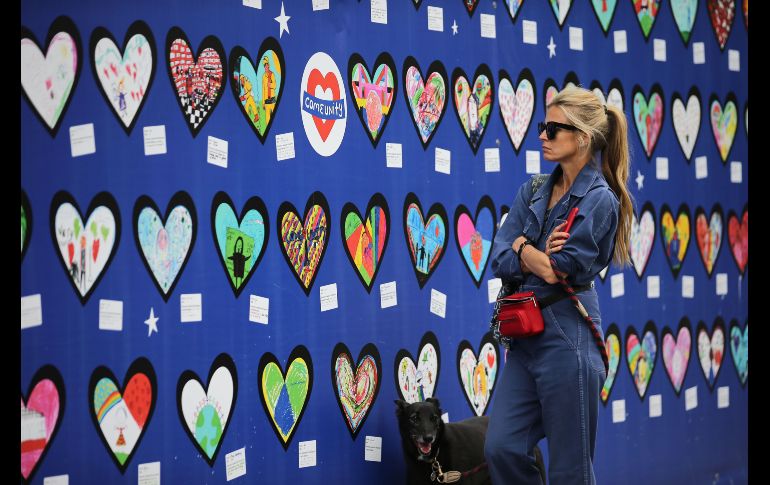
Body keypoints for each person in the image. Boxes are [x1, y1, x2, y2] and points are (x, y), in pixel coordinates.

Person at [484, 86, 633, 485]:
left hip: (569, 337)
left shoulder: (600, 199)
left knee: (570, 470)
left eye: (553, 128)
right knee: (502, 447)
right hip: (525, 336)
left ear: (582, 137)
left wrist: (522, 247)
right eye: (542, 127)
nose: (543, 136)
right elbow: (498, 257)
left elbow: (561, 268)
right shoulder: (534, 189)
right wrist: (532, 252)